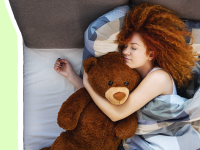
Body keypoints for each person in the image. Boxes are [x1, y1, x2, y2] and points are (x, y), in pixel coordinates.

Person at [54, 3, 199, 149]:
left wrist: (87, 83)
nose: (125, 51)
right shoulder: (134, 78)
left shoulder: (159, 77)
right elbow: (104, 102)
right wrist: (71, 75)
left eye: (133, 48)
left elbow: (117, 114)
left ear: (151, 53)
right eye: (124, 46)